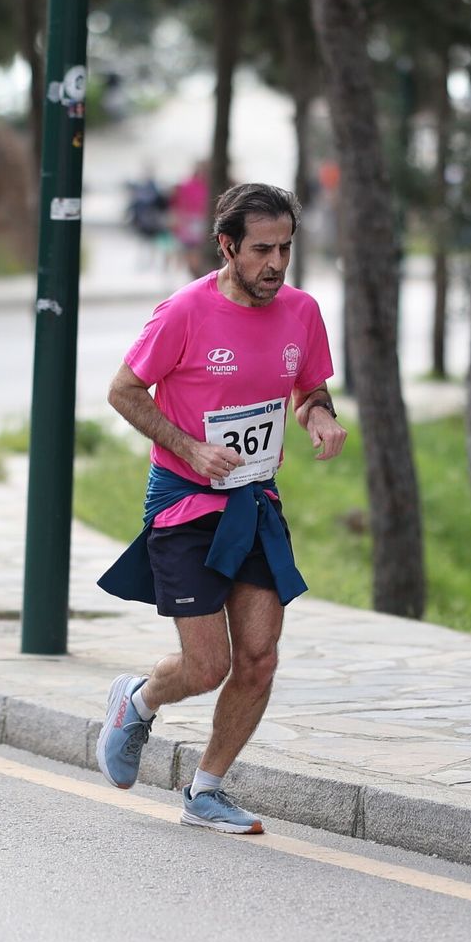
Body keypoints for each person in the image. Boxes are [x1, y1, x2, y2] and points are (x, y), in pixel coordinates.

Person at [95, 182, 348, 834]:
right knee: (208, 667)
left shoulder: (302, 311)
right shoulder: (184, 312)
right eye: (262, 249)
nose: (276, 263)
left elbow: (310, 388)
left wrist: (320, 416)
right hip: (185, 504)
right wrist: (190, 448)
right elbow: (124, 391)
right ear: (227, 246)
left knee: (259, 658)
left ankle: (205, 789)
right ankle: (138, 701)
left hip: (255, 502)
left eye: (285, 248)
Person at [168, 160, 212, 278]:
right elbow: (175, 204)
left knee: (195, 251)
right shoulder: (186, 185)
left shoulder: (208, 185)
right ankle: (195, 274)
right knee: (191, 250)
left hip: (198, 222)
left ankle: (196, 274)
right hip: (189, 222)